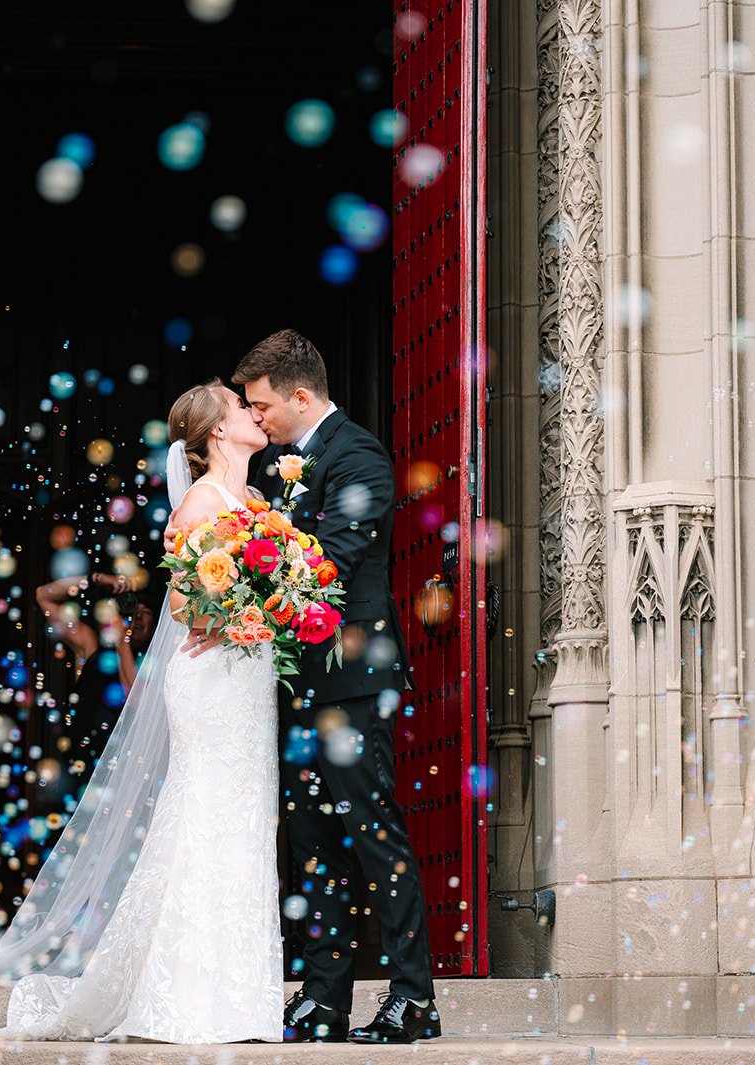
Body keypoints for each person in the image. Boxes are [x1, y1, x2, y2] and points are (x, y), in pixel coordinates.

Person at [0, 378, 283, 1045]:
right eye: (239, 405)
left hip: (248, 683)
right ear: (215, 431)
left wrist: (284, 602)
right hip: (210, 683)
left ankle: (239, 996)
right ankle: (185, 994)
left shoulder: (259, 502)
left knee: (245, 820)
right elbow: (183, 607)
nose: (253, 411)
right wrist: (244, 612)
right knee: (203, 814)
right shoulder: (204, 501)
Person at [233, 329, 437, 1044]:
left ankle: (413, 997)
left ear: (298, 395)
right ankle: (324, 997)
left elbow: (333, 561)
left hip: (350, 681)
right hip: (300, 687)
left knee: (372, 832)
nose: (256, 420)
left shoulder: (359, 455)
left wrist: (253, 560)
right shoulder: (290, 465)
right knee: (314, 843)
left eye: (261, 407)